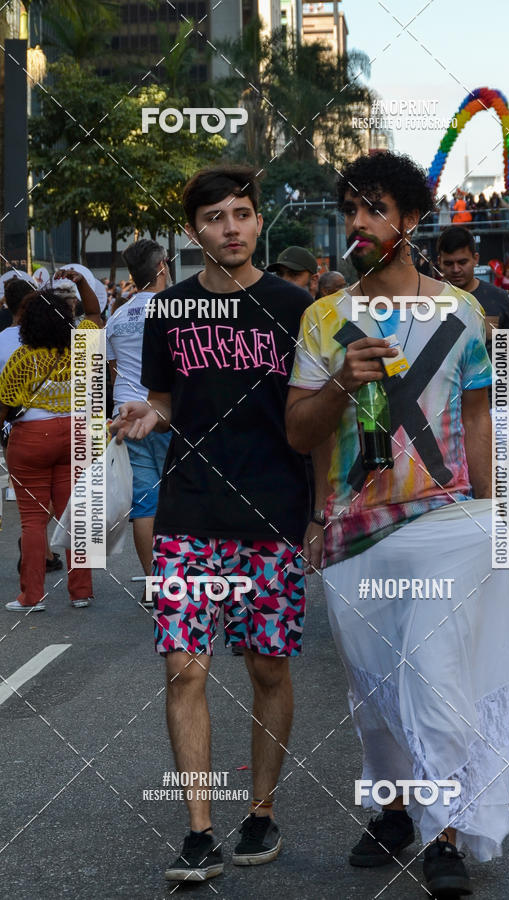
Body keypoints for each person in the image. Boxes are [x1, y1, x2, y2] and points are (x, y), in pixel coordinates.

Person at [286, 151, 509, 898]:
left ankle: (443, 829)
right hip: (356, 528)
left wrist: (498, 521)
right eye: (350, 208)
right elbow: (299, 432)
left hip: (450, 522)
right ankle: (390, 807)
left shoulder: (462, 312)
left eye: (373, 208)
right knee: (374, 687)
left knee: (435, 672)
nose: (357, 222)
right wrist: (341, 389)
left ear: (410, 219)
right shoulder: (324, 318)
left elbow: (479, 420)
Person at [111, 164, 324, 883]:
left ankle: (260, 811)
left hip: (271, 511)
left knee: (267, 666)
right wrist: (148, 413)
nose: (229, 228)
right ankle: (199, 829)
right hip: (189, 508)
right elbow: (169, 401)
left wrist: (320, 514)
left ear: (258, 222)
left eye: (240, 214)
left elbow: (318, 420)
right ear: (193, 229)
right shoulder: (167, 311)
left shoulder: (297, 307)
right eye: (214, 218)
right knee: (183, 669)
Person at [0, 270, 102, 611]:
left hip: (31, 439)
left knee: (32, 520)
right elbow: (95, 315)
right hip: (75, 434)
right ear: (66, 319)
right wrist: (83, 284)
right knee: (75, 514)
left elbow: (4, 406)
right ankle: (82, 592)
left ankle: (32, 596)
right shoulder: (84, 344)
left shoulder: (22, 359)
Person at [105, 240, 173, 605]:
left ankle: (154, 583)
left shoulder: (118, 316)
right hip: (164, 414)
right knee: (179, 497)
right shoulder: (176, 308)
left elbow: (114, 372)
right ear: (162, 266)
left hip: (126, 417)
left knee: (145, 503)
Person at [437, 225, 509, 442]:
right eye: (449, 263)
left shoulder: (498, 298)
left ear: (475, 259)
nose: (455, 269)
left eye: (462, 262)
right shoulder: (428, 301)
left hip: (496, 408)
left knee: (499, 476)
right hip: (444, 412)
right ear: (439, 262)